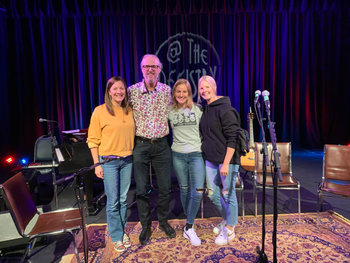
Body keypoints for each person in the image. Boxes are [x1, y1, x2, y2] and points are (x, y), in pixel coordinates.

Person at [128, 54, 175, 245]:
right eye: (146, 66)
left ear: (159, 69)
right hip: (140, 144)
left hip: (162, 145)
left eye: (154, 67)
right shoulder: (131, 91)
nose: (150, 70)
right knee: (141, 189)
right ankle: (146, 225)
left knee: (165, 188)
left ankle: (163, 222)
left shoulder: (166, 90)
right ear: (141, 69)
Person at [87, 76, 135, 252]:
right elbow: (92, 140)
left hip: (127, 160)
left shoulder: (129, 110)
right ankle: (116, 236)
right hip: (108, 162)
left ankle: (122, 232)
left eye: (122, 88)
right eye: (115, 88)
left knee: (123, 199)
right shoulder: (100, 111)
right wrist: (97, 164)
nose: (119, 92)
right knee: (113, 201)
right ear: (108, 91)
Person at [198, 75, 241, 245]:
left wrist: (226, 162)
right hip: (211, 159)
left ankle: (230, 229)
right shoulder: (206, 108)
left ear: (215, 88)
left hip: (226, 160)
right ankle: (227, 218)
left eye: (207, 87)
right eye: (201, 88)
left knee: (228, 194)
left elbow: (233, 137)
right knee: (212, 193)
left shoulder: (225, 108)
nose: (204, 91)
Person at [168, 79, 205, 246]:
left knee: (197, 191)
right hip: (178, 155)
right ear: (174, 94)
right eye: (178, 92)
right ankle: (189, 214)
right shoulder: (169, 111)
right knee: (184, 189)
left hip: (196, 154)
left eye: (185, 92)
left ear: (189, 93)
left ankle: (189, 227)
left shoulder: (198, 109)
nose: (181, 95)